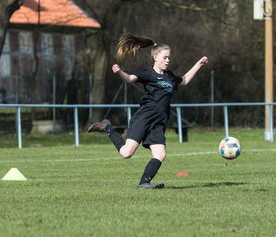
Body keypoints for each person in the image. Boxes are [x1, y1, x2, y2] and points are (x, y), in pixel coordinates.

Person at [88, 33, 208, 189]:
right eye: (165, 57)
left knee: (160, 154)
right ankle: (107, 127)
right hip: (145, 117)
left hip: (159, 122)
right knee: (126, 153)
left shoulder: (170, 77)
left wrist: (198, 64)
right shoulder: (148, 73)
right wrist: (119, 72)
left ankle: (144, 183)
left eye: (169, 57)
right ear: (155, 58)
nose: (168, 60)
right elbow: (130, 79)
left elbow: (184, 80)